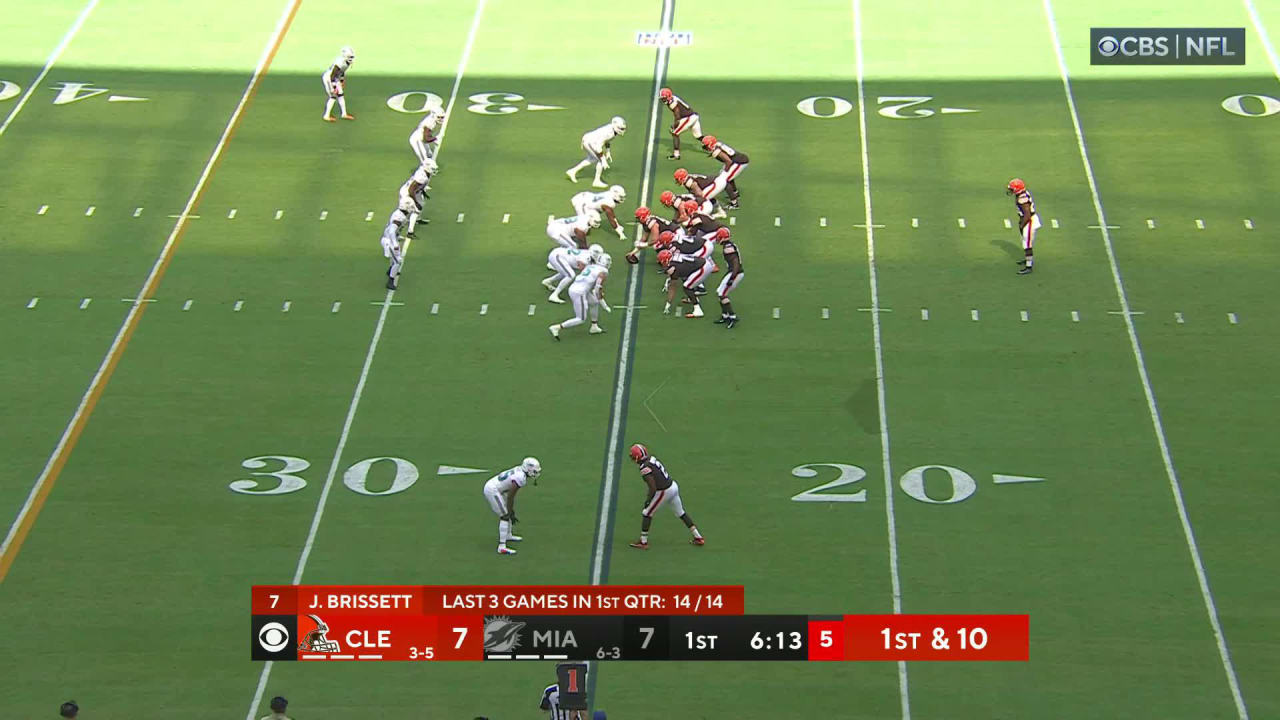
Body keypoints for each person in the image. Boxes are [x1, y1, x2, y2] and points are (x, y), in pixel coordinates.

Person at [626, 444, 704, 548]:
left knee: (647, 513)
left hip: (664, 491)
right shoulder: (652, 459)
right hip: (673, 486)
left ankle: (643, 542)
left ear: (637, 457)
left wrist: (648, 500)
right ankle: (698, 537)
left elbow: (653, 488)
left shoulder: (644, 468)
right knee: (681, 513)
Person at [483, 458, 541, 555]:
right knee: (505, 515)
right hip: (492, 490)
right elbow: (510, 496)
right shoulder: (520, 477)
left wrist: (511, 510)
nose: (535, 473)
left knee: (508, 511)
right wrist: (511, 511)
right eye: (534, 471)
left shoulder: (519, 471)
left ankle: (508, 535)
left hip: (498, 488)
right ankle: (502, 547)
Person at [321, 47, 355, 122]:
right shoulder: (340, 62)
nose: (351, 58)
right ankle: (326, 115)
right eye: (350, 56)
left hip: (335, 78)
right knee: (333, 96)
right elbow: (332, 75)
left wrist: (342, 81)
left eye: (352, 56)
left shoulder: (346, 62)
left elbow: (342, 71)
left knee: (341, 94)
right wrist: (334, 87)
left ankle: (344, 114)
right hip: (329, 79)